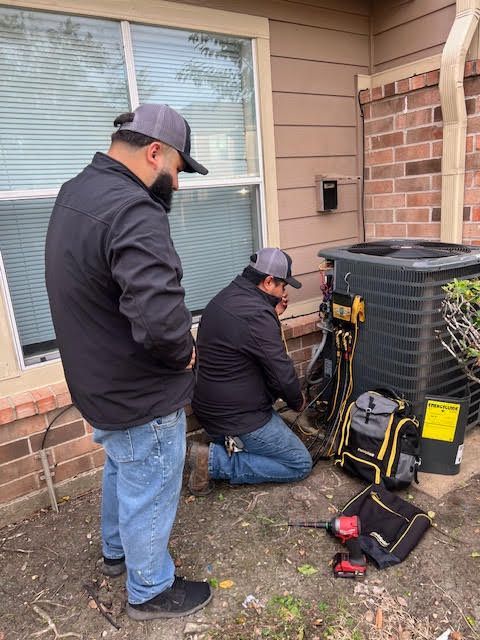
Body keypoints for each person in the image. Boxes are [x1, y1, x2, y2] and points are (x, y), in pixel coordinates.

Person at [45, 104, 212, 621]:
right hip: (139, 391)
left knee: (123, 468)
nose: (177, 186)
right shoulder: (133, 210)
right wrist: (185, 352)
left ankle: (116, 552)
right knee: (151, 483)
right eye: (179, 170)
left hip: (99, 381)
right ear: (155, 152)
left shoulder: (77, 191)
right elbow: (161, 319)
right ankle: (150, 589)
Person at [189, 248, 313, 495]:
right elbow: (281, 372)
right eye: (281, 286)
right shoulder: (256, 315)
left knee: (279, 436)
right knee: (299, 463)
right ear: (268, 282)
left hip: (212, 408)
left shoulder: (228, 297)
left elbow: (247, 339)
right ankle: (212, 462)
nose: (283, 293)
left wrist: (272, 314)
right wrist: (298, 401)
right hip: (237, 417)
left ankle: (225, 447)